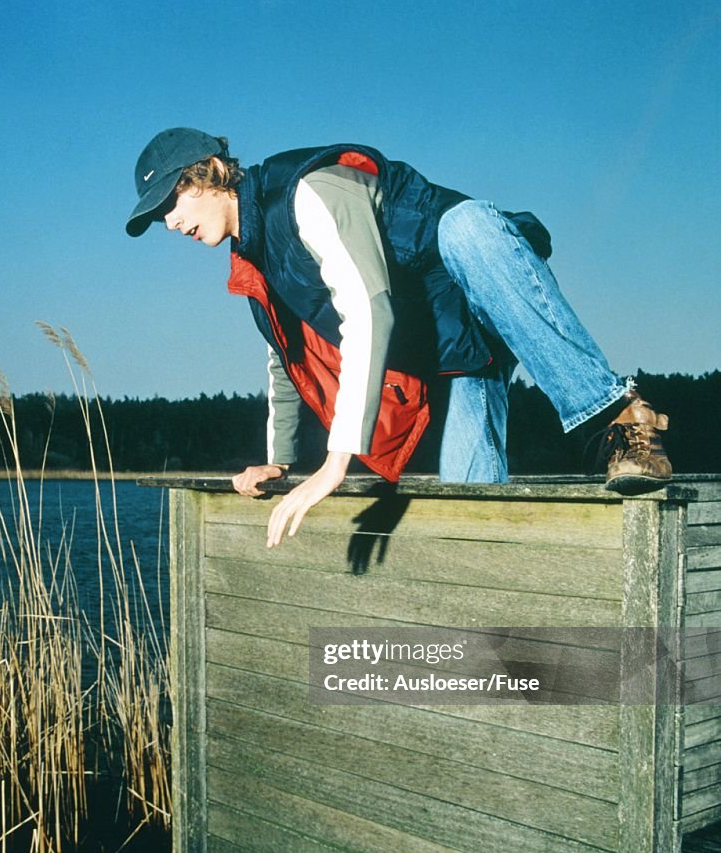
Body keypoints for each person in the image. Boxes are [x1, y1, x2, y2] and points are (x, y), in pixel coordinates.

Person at [126, 127, 672, 546]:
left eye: (174, 202)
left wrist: (336, 462)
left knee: (467, 225)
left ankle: (621, 419)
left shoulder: (308, 191)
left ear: (212, 172)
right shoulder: (257, 264)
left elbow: (368, 307)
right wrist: (282, 460)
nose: (171, 223)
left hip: (493, 276)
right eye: (158, 218)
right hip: (456, 347)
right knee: (464, 515)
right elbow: (285, 361)